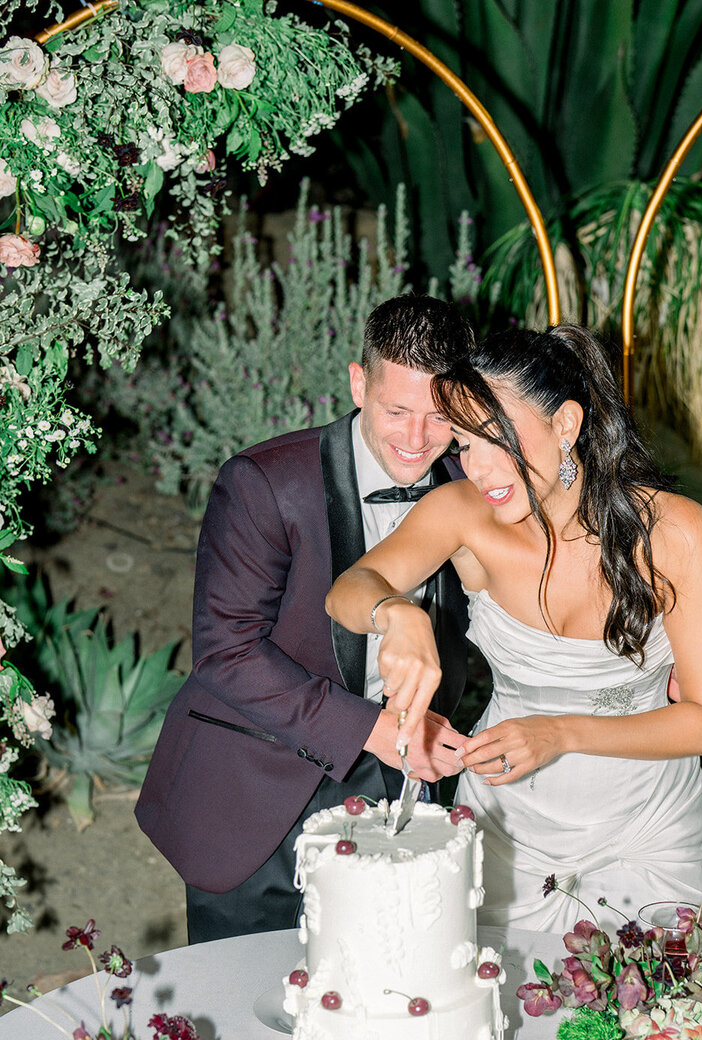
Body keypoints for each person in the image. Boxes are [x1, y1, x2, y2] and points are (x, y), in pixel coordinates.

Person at [326, 324, 702, 933]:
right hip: (505, 831)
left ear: (566, 425)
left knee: (654, 1018)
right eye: (465, 444)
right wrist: (398, 613)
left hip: (647, 835)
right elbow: (348, 591)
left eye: (498, 439)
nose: (481, 469)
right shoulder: (464, 515)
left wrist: (558, 734)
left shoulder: (675, 534)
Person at [135, 295, 474, 942]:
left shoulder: (471, 483)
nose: (415, 438)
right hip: (252, 785)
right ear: (357, 382)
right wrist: (370, 727)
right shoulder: (265, 484)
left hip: (394, 782)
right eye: (396, 410)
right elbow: (225, 652)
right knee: (240, 1004)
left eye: (440, 417)